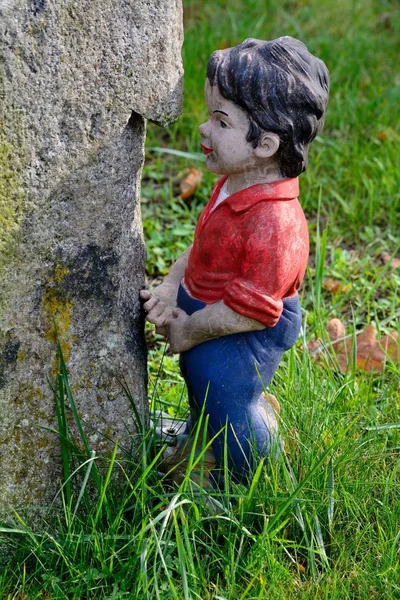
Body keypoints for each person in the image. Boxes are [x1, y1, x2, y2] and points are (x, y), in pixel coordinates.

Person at [141, 36, 329, 487]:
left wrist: (190, 328)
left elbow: (250, 310)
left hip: (241, 330)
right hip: (212, 308)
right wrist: (170, 287)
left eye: (220, 121)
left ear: (265, 144)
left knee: (226, 396)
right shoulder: (234, 183)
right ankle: (200, 442)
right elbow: (202, 246)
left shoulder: (277, 226)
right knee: (203, 390)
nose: (204, 130)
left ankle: (245, 476)